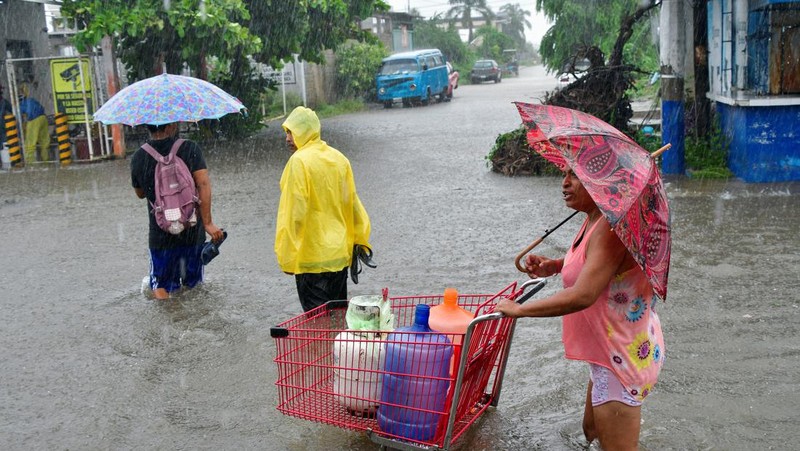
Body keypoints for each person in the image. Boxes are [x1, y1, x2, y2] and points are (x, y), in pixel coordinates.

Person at [496, 166, 665, 451]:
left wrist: (520, 310)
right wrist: (556, 265)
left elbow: (583, 295)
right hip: (607, 352)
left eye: (574, 176)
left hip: (620, 358)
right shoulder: (593, 219)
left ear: (601, 183)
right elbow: (594, 263)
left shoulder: (612, 229)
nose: (564, 183)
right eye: (564, 174)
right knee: (590, 431)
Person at [275, 106, 371, 312]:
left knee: (317, 326)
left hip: (311, 261)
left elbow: (294, 214)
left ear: (304, 131)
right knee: (336, 320)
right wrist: (360, 241)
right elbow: (353, 205)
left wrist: (287, 258)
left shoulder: (299, 162)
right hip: (338, 257)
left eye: (291, 132)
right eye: (286, 132)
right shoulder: (339, 158)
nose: (287, 138)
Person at [131, 122, 224, 300]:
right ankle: (194, 323)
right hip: (192, 229)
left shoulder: (139, 156)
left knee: (160, 285)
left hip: (161, 235)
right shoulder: (189, 148)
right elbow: (203, 184)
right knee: (194, 286)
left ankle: (170, 322)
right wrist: (208, 223)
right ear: (171, 125)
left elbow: (140, 193)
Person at [18, 83, 50, 165]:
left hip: (34, 120)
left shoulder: (22, 104)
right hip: (43, 118)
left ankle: (30, 162)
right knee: (44, 142)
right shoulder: (32, 100)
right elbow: (42, 107)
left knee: (30, 142)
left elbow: (23, 114)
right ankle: (46, 161)